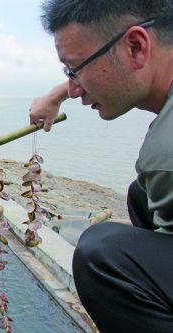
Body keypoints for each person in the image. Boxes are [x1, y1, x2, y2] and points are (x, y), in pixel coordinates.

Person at [29, 1, 173, 332]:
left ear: (136, 47)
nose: (75, 89)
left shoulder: (165, 155)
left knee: (103, 254)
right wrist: (57, 94)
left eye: (75, 69)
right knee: (141, 195)